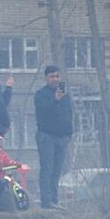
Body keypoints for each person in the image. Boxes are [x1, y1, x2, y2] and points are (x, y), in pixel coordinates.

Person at [33, 64, 73, 209]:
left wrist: (69, 133)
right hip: (47, 137)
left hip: (62, 138)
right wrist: (55, 100)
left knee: (57, 170)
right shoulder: (41, 95)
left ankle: (55, 200)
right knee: (47, 169)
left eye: (57, 76)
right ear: (46, 78)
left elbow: (68, 114)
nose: (55, 79)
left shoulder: (65, 96)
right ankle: (46, 201)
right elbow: (43, 113)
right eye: (52, 76)